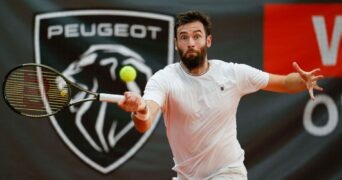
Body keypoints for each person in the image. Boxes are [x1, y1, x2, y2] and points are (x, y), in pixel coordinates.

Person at [118, 11, 324, 180]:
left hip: (228, 173)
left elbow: (284, 83)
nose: (190, 42)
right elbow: (145, 119)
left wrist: (304, 80)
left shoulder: (233, 73)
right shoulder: (163, 79)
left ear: (208, 41)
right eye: (184, 37)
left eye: (197, 36)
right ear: (175, 43)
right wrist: (141, 109)